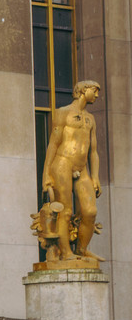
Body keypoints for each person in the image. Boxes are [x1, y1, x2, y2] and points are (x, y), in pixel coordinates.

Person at [38, 79, 101, 263]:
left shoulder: (91, 118)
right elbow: (53, 143)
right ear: (83, 90)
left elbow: (94, 150)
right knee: (64, 211)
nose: (96, 95)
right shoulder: (62, 112)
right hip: (62, 164)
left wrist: (95, 176)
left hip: (82, 168)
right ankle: (66, 253)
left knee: (90, 211)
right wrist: (46, 174)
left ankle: (82, 249)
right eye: (94, 91)